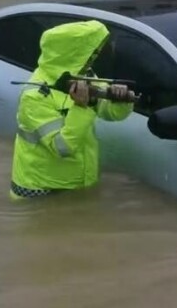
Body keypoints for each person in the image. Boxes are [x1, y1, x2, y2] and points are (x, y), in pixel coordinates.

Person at [10, 20, 134, 199]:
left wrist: (120, 100)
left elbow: (109, 113)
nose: (94, 57)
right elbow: (62, 147)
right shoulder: (34, 96)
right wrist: (81, 107)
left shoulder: (84, 76)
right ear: (73, 54)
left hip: (78, 183)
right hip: (41, 190)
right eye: (91, 53)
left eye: (95, 53)